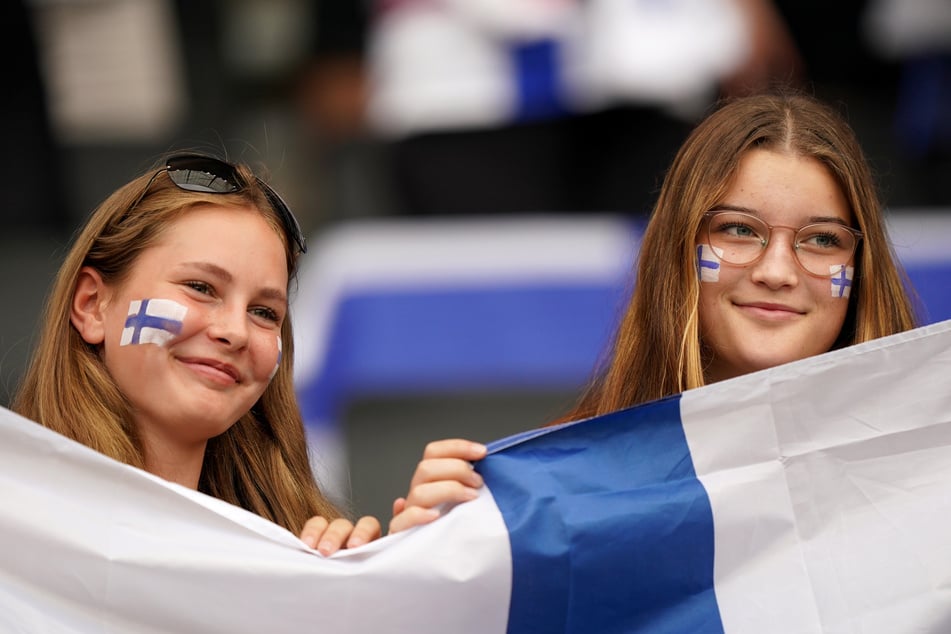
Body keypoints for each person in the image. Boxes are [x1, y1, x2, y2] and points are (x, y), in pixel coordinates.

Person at [10, 152, 486, 555]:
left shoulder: (304, 552)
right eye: (200, 287)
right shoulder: (20, 527)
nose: (235, 332)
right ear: (93, 306)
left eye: (264, 312)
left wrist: (396, 580)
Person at [554, 90, 920, 423]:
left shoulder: (932, 461)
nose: (776, 273)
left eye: (823, 239)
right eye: (740, 230)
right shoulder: (565, 479)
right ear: (676, 248)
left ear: (862, 269)